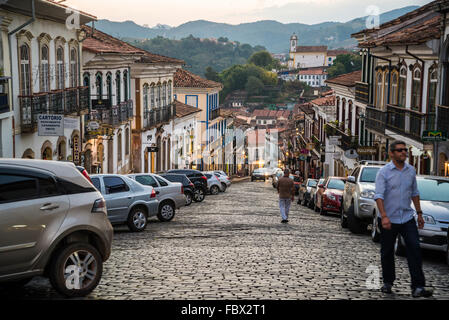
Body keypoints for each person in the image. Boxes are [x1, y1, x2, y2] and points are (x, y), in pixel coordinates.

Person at [374, 140, 433, 298]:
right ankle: (388, 282)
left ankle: (418, 287)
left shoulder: (411, 170)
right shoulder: (384, 172)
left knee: (414, 248)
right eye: (400, 150)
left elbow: (414, 192)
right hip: (388, 219)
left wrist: (419, 213)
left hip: (407, 218)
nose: (403, 153)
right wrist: (384, 216)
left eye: (405, 150)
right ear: (391, 153)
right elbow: (378, 196)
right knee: (386, 252)